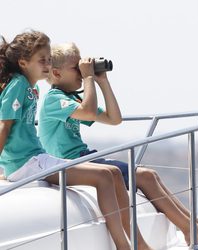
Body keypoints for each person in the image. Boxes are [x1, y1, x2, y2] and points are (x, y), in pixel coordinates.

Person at [38, 42, 198, 246]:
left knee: (150, 174)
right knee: (145, 176)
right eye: (76, 68)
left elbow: (114, 118)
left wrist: (102, 82)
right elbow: (90, 111)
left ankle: (194, 224)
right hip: (70, 161)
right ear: (57, 74)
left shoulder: (71, 98)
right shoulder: (54, 100)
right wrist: (89, 79)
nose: (82, 71)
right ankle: (189, 229)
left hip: (84, 155)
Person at [0, 30, 153, 250]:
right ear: (23, 62)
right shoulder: (19, 85)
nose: (46, 64)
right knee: (103, 176)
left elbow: (112, 119)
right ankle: (125, 246)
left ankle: (138, 243)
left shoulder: (30, 88)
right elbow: (4, 126)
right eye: (42, 60)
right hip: (26, 163)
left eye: (49, 59)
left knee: (113, 173)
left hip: (35, 159)